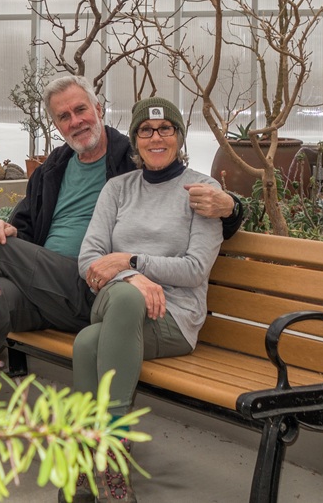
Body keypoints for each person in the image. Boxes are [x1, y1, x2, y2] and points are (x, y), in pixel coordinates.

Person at [0, 75, 243, 410]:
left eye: (81, 110)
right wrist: (2, 229)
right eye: (64, 117)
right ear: (56, 125)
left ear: (99, 108)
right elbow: (23, 227)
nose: (76, 122)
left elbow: (189, 197)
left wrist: (232, 206)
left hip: (93, 287)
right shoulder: (54, 167)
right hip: (44, 288)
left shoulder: (130, 157)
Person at [66, 97, 224, 503]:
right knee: (126, 298)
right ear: (135, 140)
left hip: (176, 318)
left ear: (179, 137)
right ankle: (114, 461)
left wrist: (131, 260)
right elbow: (88, 259)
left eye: (165, 129)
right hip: (117, 301)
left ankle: (85, 464)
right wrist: (133, 277)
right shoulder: (117, 189)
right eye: (146, 130)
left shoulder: (202, 191)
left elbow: (195, 270)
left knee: (87, 343)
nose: (156, 138)